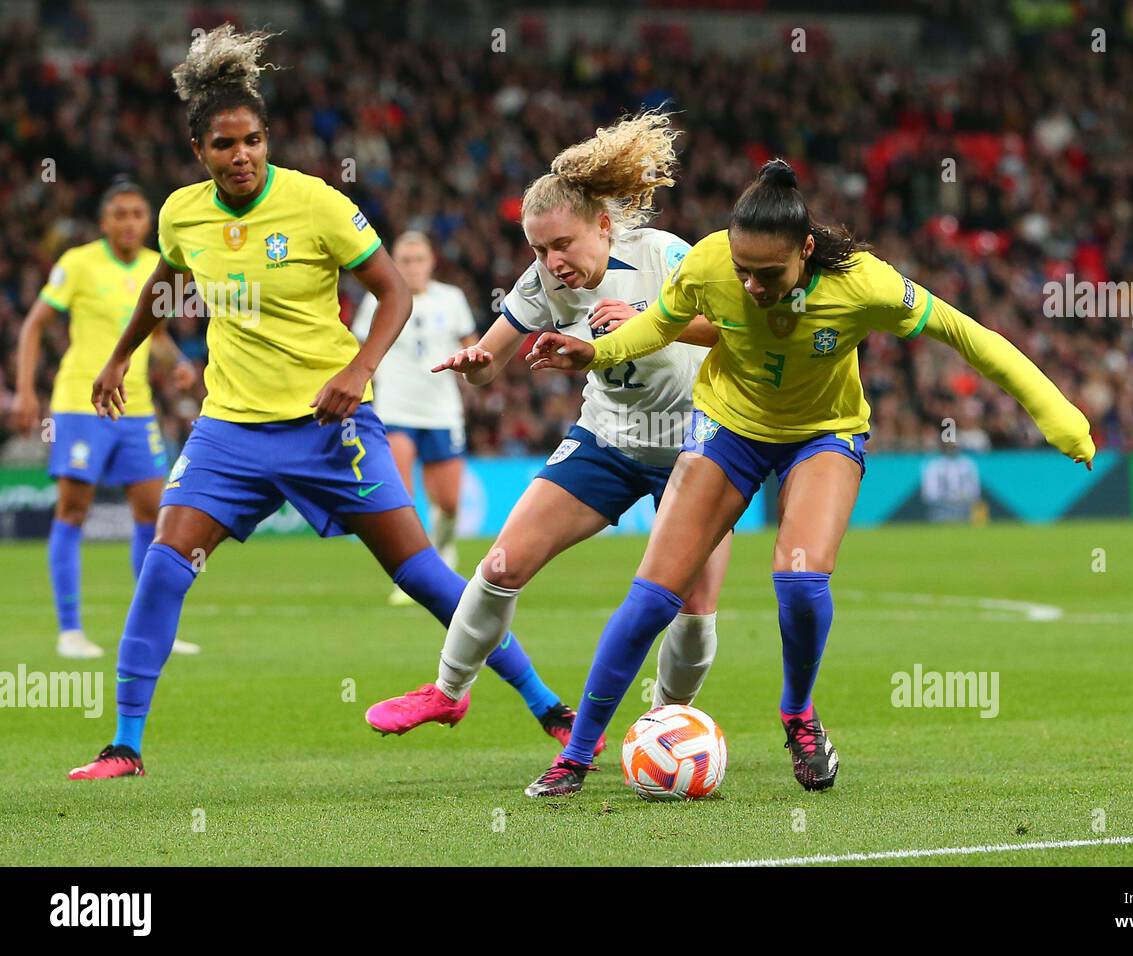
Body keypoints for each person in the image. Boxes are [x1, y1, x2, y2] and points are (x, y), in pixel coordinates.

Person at [67, 25, 576, 780]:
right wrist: (119, 355)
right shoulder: (182, 215)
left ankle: (548, 706)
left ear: (267, 139)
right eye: (222, 145)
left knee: (422, 574)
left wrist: (358, 370)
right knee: (166, 566)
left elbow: (393, 291)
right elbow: (162, 284)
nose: (240, 156)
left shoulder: (316, 204)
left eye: (251, 141)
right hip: (229, 430)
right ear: (198, 152)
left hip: (331, 424)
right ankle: (125, 744)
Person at [522, 159, 1096, 796]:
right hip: (730, 427)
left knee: (799, 579)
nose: (752, 286)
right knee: (654, 594)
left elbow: (966, 335)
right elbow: (659, 323)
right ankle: (575, 757)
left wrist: (1059, 416)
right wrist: (595, 351)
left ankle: (797, 713)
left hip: (823, 432)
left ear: (807, 250)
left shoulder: (863, 283)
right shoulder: (710, 262)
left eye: (768, 275)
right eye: (743, 271)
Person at [364, 112, 731, 748]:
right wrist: (477, 364)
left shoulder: (667, 256)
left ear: (605, 225)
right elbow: (489, 363)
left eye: (563, 244)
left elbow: (733, 329)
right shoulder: (540, 284)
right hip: (607, 440)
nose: (551, 261)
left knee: (694, 609)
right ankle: (448, 692)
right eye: (538, 249)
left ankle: (663, 728)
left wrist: (652, 318)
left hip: (695, 446)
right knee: (501, 563)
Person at [11, 181, 201, 659]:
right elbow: (35, 324)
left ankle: (153, 627)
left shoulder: (157, 265)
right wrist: (27, 390)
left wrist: (175, 360)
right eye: (120, 213)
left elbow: (153, 337)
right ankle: (70, 630)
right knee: (73, 510)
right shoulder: (77, 263)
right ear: (104, 221)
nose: (130, 222)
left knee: (153, 514)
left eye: (138, 213)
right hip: (81, 402)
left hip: (136, 407)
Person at [351, 231, 476, 598]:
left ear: (431, 262)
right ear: (394, 263)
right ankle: (416, 574)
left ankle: (443, 548)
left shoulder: (451, 299)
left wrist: (474, 363)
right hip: (396, 409)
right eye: (404, 260)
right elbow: (360, 350)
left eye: (419, 259)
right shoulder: (380, 299)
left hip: (442, 411)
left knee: (449, 503)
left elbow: (472, 344)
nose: (412, 266)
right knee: (402, 497)